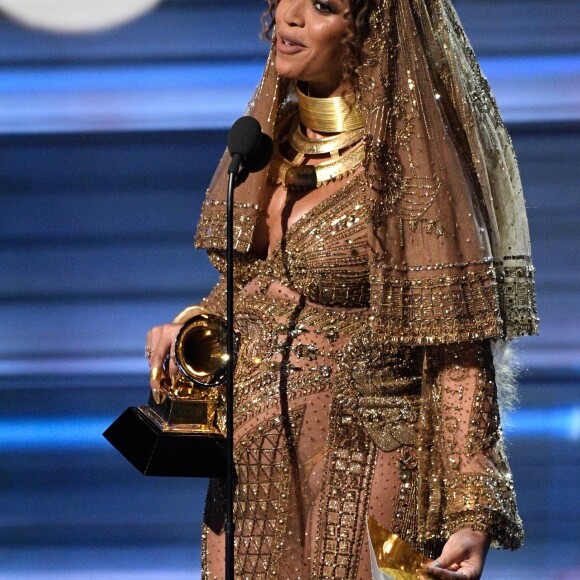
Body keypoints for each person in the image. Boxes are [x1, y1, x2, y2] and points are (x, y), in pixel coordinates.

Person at [145, 0, 539, 578]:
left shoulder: (409, 168)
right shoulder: (266, 145)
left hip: (364, 458)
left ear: (368, 31)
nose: (290, 16)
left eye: (323, 6)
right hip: (250, 469)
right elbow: (255, 286)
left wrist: (470, 511)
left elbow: (459, 351)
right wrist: (191, 323)